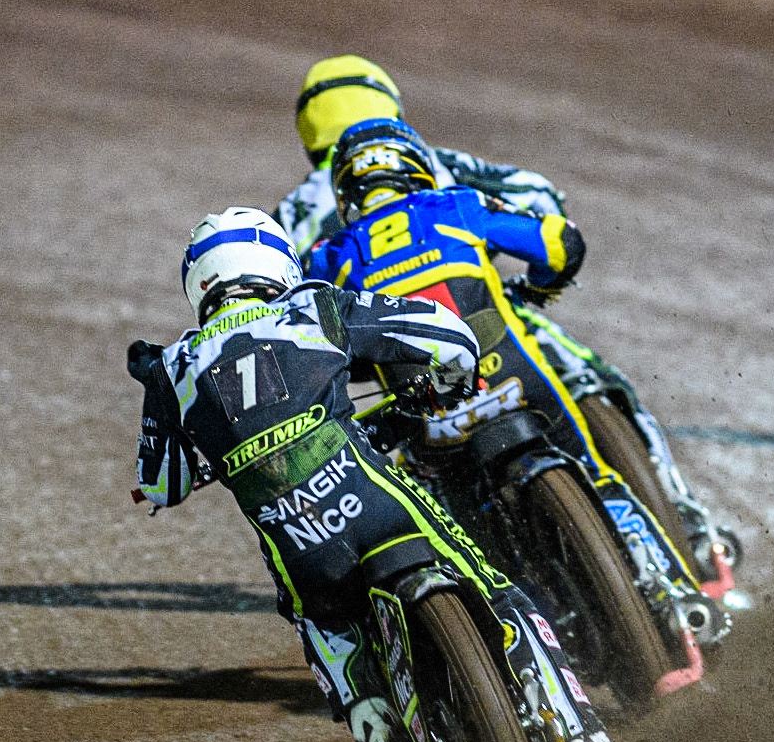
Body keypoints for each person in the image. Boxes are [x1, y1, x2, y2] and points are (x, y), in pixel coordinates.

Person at [129, 205, 621, 742]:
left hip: (306, 554)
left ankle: (371, 720)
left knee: (319, 618)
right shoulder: (311, 307)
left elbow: (162, 484)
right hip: (378, 506)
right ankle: (584, 735)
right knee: (500, 593)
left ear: (197, 283)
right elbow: (446, 333)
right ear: (275, 259)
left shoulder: (173, 367)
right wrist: (448, 381)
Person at [277, 55, 742, 598]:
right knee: (605, 384)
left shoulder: (293, 216)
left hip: (401, 362)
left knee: (411, 475)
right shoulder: (440, 167)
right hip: (492, 318)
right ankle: (682, 519)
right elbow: (540, 196)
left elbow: (287, 306)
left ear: (309, 131)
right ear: (390, 105)